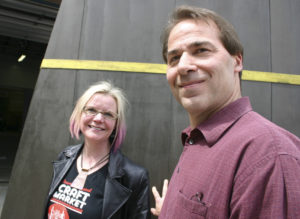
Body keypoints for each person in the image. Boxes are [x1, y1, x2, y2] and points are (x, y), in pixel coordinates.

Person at [151, 5, 300, 218]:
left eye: (201, 50)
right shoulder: (197, 139)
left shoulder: (269, 155)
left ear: (237, 61)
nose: (183, 66)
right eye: (174, 58)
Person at [45, 81, 150, 219]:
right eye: (91, 110)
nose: (99, 118)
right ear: (79, 113)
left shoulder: (134, 177)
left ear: (116, 124)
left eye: (108, 114)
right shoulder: (65, 157)